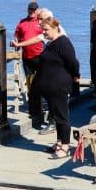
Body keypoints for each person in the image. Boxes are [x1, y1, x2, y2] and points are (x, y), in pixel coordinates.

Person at [32, 17, 80, 157]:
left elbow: (73, 62)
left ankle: (65, 147)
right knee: (55, 116)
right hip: (49, 87)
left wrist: (75, 75)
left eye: (46, 30)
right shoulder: (51, 43)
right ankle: (59, 142)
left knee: (62, 116)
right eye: (42, 30)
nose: (44, 33)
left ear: (55, 28)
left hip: (59, 86)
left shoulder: (63, 42)